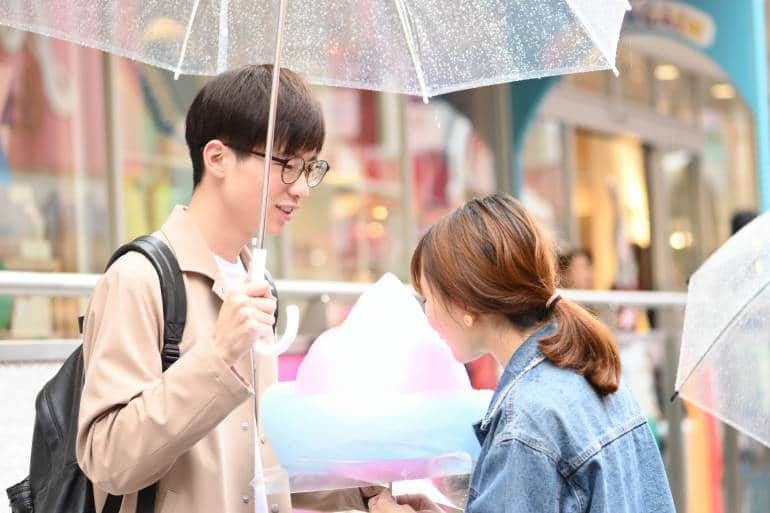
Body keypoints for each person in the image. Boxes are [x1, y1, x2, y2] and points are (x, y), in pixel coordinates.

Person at [76, 65, 374, 513]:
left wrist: (367, 492)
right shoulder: (140, 278)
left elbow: (261, 460)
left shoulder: (258, 285)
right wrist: (218, 353)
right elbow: (110, 459)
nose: (301, 188)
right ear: (216, 158)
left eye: (310, 168)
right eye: (287, 164)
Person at [369, 194, 675, 513]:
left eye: (428, 299)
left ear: (465, 305)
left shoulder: (527, 419)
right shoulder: (590, 372)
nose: (427, 316)